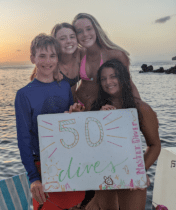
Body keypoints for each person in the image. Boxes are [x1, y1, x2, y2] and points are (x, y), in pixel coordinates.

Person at [15, 33, 85, 210]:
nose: (48, 61)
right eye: (42, 56)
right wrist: (33, 178)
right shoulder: (24, 94)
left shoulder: (64, 88)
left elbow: (71, 127)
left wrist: (76, 113)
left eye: (52, 56)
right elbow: (23, 140)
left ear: (58, 58)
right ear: (33, 58)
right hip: (43, 168)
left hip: (71, 166)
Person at [85, 59, 161, 210]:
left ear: (123, 78)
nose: (108, 82)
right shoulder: (96, 108)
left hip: (131, 174)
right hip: (104, 174)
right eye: (103, 78)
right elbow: (89, 146)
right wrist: (99, 120)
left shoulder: (141, 108)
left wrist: (138, 171)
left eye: (113, 76)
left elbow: (154, 145)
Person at [72, 13, 141, 110]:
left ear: (96, 29)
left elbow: (128, 84)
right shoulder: (78, 54)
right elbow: (70, 81)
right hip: (79, 107)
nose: (85, 34)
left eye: (88, 29)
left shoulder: (115, 54)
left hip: (102, 108)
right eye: (79, 31)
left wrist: (140, 108)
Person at [30, 23, 85, 101]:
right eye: (62, 38)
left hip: (72, 107)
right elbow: (35, 90)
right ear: (54, 43)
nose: (69, 41)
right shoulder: (50, 63)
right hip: (53, 107)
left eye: (72, 37)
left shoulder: (82, 54)